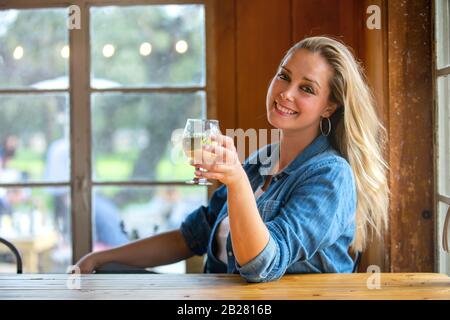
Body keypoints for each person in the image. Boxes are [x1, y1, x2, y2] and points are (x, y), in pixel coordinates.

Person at [75, 36, 389, 282]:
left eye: (306, 88)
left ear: (329, 107)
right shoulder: (258, 163)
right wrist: (99, 259)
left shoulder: (330, 175)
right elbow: (190, 237)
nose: (286, 93)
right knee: (106, 277)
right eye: (284, 76)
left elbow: (263, 265)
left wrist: (235, 179)